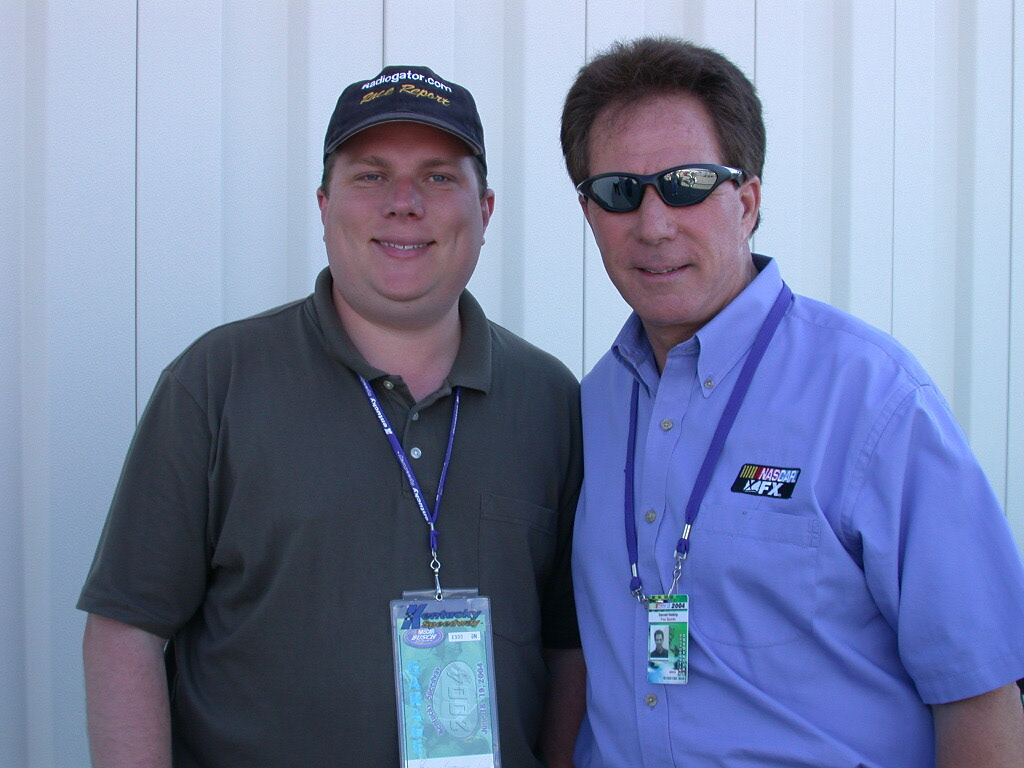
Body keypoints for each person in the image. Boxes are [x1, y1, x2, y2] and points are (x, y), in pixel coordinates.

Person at [79, 65, 584, 768]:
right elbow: (124, 632)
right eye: (370, 175)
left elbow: (570, 649)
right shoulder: (215, 382)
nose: (403, 203)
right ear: (323, 204)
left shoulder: (551, 400)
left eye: (439, 177)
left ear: (486, 209)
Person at [561, 36, 1024, 767]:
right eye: (620, 191)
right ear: (589, 213)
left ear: (746, 200)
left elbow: (980, 691)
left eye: (686, 183)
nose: (653, 224)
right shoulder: (591, 407)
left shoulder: (873, 399)